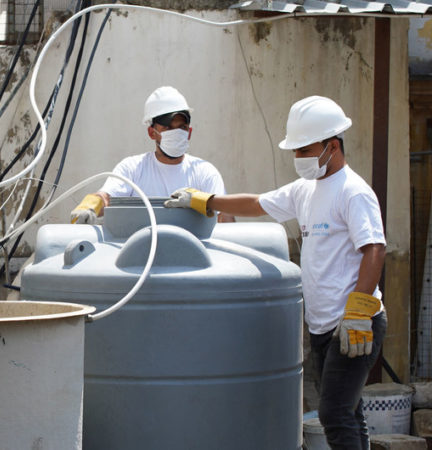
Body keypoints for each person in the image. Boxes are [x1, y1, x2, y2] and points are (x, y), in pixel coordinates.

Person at [165, 95, 386, 450]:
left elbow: (374, 248)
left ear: (332, 145)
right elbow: (257, 203)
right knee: (348, 411)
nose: (298, 158)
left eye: (304, 150)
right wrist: (206, 201)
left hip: (355, 323)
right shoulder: (306, 190)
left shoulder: (353, 192)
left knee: (334, 414)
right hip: (323, 325)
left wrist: (359, 312)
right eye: (295, 151)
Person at [69, 86, 234, 224]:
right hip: (142, 256)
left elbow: (225, 218)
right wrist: (90, 206)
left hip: (193, 258)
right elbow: (106, 197)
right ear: (152, 132)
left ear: (189, 132)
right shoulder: (133, 168)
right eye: (168, 128)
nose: (176, 133)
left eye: (182, 127)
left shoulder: (204, 172)